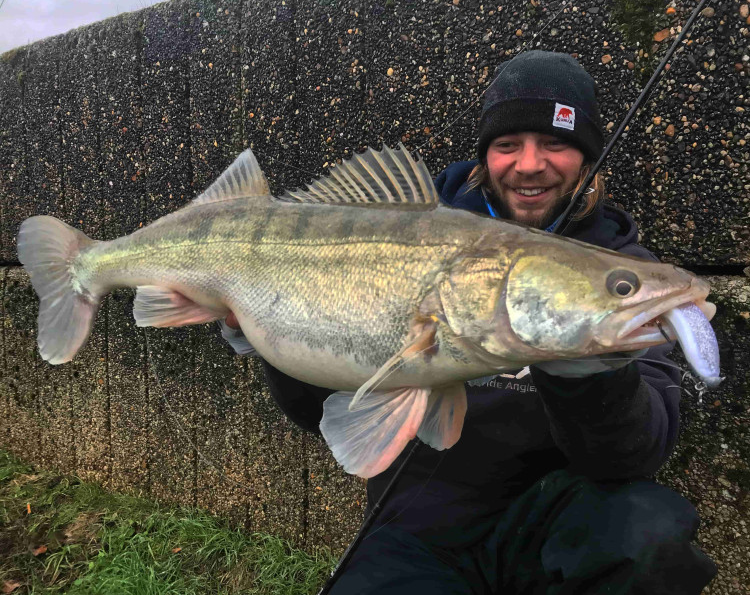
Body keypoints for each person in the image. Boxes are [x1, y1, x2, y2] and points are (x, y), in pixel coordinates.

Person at [222, 50, 717, 594]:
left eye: (555, 143)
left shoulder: (621, 273)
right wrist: (262, 323)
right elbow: (313, 409)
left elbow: (634, 454)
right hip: (416, 526)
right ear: (486, 156)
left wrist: (593, 368)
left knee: (650, 536)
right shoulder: (397, 233)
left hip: (555, 520)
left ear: (586, 155)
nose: (529, 164)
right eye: (507, 145)